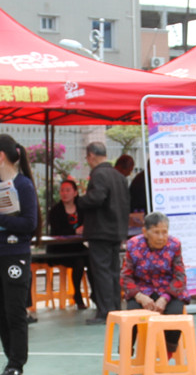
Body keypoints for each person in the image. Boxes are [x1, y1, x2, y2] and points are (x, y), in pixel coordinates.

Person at [0, 134, 39, 375]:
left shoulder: (23, 185)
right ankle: (10, 362)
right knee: (0, 312)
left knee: (15, 312)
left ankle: (17, 367)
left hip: (14, 255)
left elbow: (29, 224)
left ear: (0, 155)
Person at [74, 140, 130, 323]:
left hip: (100, 230)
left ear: (91, 156)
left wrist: (80, 201)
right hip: (117, 230)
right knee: (113, 271)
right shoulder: (119, 176)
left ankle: (105, 312)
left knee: (101, 272)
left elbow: (97, 198)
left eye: (87, 157)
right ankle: (115, 308)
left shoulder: (98, 174)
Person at [121, 212, 188, 355]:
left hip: (168, 290)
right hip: (141, 291)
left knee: (175, 314)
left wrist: (165, 298)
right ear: (145, 232)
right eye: (156, 232)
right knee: (131, 317)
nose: (161, 237)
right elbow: (126, 276)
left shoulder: (174, 245)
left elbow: (180, 276)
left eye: (164, 232)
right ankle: (125, 356)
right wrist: (139, 296)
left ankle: (166, 354)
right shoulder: (133, 245)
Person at [44, 176, 88, 309]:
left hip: (77, 246)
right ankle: (77, 296)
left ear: (75, 193)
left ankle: (97, 295)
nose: (64, 193)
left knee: (93, 258)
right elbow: (57, 231)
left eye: (68, 190)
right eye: (62, 190)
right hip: (59, 249)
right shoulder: (55, 211)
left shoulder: (82, 209)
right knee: (79, 262)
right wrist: (75, 231)